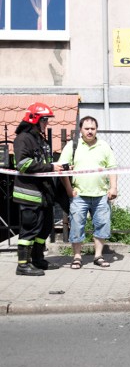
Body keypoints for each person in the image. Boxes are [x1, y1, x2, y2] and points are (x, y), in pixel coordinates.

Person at [12, 102, 66, 276]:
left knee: (44, 229)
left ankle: (37, 259)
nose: (47, 123)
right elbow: (22, 164)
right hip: (30, 195)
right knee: (29, 229)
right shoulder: (23, 138)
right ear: (35, 119)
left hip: (44, 194)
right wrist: (50, 168)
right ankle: (22, 265)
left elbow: (43, 163)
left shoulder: (39, 139)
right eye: (45, 120)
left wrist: (59, 166)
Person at [58, 116, 118, 269]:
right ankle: (77, 257)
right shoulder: (72, 146)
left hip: (101, 195)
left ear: (96, 129)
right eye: (87, 128)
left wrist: (113, 188)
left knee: (102, 225)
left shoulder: (104, 146)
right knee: (77, 226)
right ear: (81, 130)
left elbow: (112, 168)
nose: (90, 131)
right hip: (79, 196)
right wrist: (69, 190)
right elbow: (61, 169)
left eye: (93, 128)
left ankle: (98, 256)